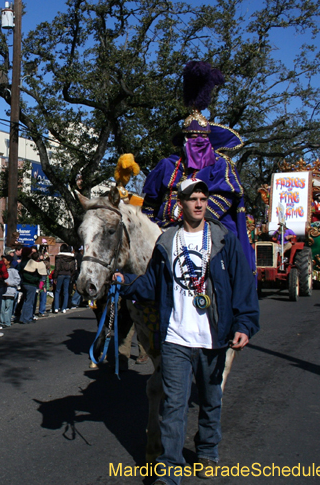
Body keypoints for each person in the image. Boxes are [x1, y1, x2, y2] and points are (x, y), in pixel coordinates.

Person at [114, 178, 259, 484]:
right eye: (192, 198)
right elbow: (152, 283)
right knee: (173, 404)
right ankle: (169, 469)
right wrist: (125, 283)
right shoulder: (167, 241)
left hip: (213, 337)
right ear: (180, 203)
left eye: (203, 198)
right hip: (176, 338)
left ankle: (207, 451)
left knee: (210, 399)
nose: (198, 203)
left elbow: (242, 284)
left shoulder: (223, 239)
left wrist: (244, 322)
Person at [141, 61, 255, 273]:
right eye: (192, 137)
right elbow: (149, 204)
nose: (197, 141)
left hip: (210, 227)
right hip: (164, 228)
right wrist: (150, 228)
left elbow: (225, 197)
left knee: (225, 251)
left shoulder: (221, 164)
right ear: (184, 140)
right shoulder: (167, 165)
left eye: (202, 138)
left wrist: (189, 216)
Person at [19, 249, 41, 324]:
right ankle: (27, 318)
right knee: (30, 302)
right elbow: (28, 274)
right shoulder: (29, 263)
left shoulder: (22, 262)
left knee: (26, 301)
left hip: (24, 283)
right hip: (30, 284)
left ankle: (23, 317)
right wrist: (36, 279)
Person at [54, 244, 76, 313]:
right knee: (66, 292)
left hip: (60, 274)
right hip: (68, 274)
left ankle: (56, 307)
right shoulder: (71, 258)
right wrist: (71, 274)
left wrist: (55, 277)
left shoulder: (59, 257)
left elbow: (57, 268)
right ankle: (64, 308)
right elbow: (73, 268)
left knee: (57, 291)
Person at [0, 254, 20, 327]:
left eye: (4, 260)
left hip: (10, 292)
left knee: (8, 307)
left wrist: (9, 283)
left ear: (8, 261)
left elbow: (17, 280)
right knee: (2, 308)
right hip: (2, 292)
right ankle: (2, 321)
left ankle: (7, 321)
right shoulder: (1, 270)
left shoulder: (13, 271)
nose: (2, 261)